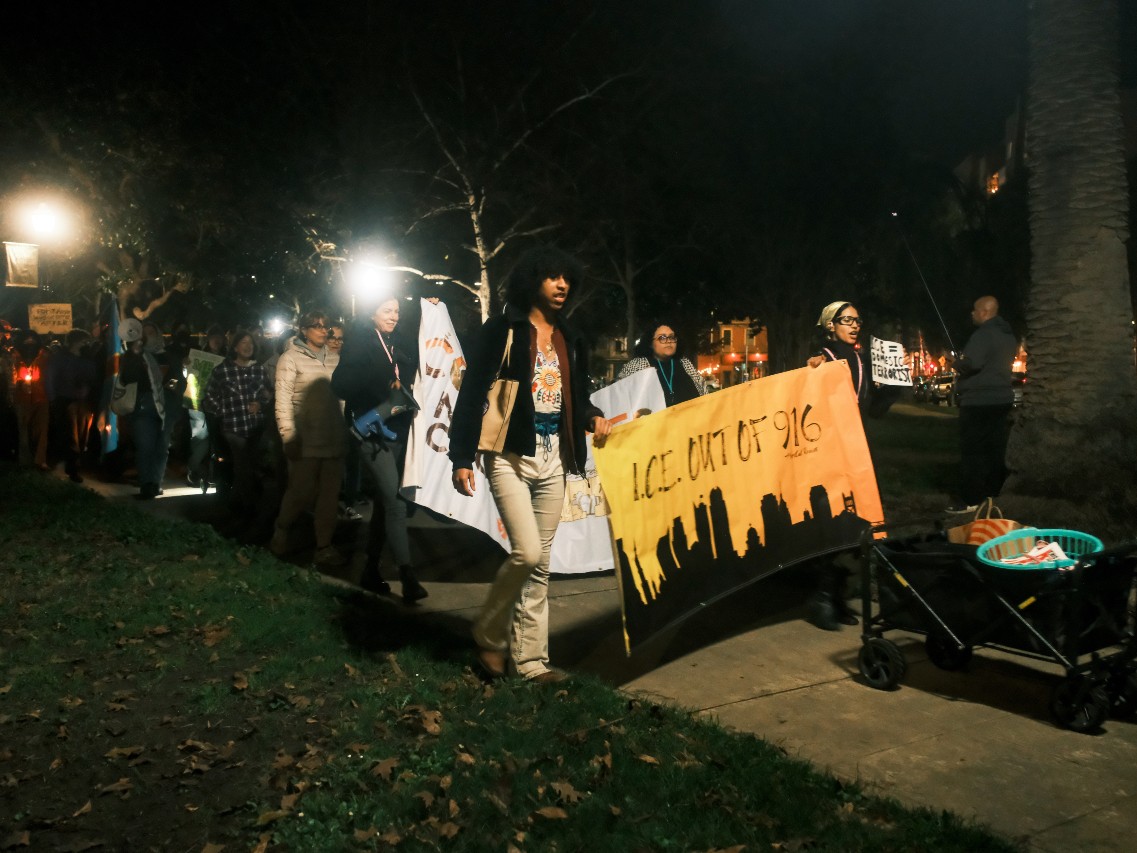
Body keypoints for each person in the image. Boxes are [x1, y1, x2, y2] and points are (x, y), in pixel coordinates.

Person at [449, 246, 611, 684]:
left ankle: (532, 663)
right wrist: (461, 455)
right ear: (531, 280)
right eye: (552, 276)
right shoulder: (502, 329)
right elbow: (472, 392)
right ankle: (487, 634)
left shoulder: (570, 336)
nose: (562, 285)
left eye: (567, 279)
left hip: (555, 459)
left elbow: (577, 393)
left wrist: (592, 414)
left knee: (540, 566)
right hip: (509, 457)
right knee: (527, 552)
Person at [332, 298, 431, 603]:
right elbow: (341, 385)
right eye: (387, 310)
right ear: (371, 312)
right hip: (372, 433)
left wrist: (433, 311)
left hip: (401, 432)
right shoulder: (360, 342)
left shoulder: (398, 341)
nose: (394, 316)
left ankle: (370, 570)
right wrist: (385, 382)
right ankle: (407, 575)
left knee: (385, 506)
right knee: (396, 503)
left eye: (397, 311)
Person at [804, 300, 871, 630]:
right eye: (847, 320)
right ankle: (822, 598)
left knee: (853, 522)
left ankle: (837, 595)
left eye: (857, 320)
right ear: (831, 325)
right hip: (829, 452)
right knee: (831, 524)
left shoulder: (857, 358)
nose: (854, 325)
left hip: (855, 449)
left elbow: (867, 406)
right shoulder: (824, 358)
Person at [270, 310, 349, 567]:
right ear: (303, 330)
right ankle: (282, 529)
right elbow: (282, 401)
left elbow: (343, 401)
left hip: (334, 440)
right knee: (301, 492)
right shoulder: (290, 359)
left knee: (329, 497)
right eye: (316, 326)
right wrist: (288, 437)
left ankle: (323, 546)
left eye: (325, 326)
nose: (322, 330)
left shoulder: (336, 359)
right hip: (305, 441)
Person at [949, 295, 1017, 512]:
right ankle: (992, 496)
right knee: (995, 450)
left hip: (978, 402)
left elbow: (973, 364)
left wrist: (957, 363)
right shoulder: (1008, 336)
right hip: (1002, 400)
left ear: (985, 312)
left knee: (973, 452)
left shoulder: (983, 334)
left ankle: (971, 500)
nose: (972, 313)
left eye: (975, 310)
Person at [202, 329, 271, 534]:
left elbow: (269, 393)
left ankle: (237, 506)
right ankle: (248, 510)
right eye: (243, 342)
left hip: (255, 427)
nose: (247, 346)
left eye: (250, 342)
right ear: (234, 347)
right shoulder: (222, 370)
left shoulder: (259, 370)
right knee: (243, 466)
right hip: (233, 428)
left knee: (248, 467)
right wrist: (224, 410)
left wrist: (261, 403)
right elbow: (209, 396)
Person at [617, 319, 709, 405]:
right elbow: (620, 397)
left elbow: (704, 393)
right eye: (662, 338)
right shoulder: (637, 365)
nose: (668, 341)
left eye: (672, 337)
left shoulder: (685, 363)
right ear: (650, 343)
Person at [48, 329, 99, 482]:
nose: (86, 345)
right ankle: (72, 467)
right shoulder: (59, 359)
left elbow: (93, 377)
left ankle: (77, 462)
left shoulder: (88, 359)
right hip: (65, 400)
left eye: (87, 342)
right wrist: (53, 399)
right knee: (71, 435)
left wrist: (87, 388)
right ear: (73, 342)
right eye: (83, 341)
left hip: (83, 402)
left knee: (83, 434)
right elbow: (51, 379)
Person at [9, 330, 51, 471]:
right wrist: (20, 383)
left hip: (41, 397)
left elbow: (50, 376)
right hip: (21, 399)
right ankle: (25, 461)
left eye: (32, 341)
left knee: (41, 430)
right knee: (23, 430)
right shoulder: (13, 357)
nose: (30, 344)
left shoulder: (45, 355)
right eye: (27, 342)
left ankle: (40, 460)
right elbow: (9, 377)